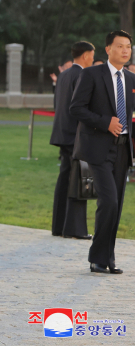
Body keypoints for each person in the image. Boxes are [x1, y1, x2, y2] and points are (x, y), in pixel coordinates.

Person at [70, 30, 134, 275]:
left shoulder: (131, 79)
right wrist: (105, 122)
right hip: (98, 149)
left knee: (115, 207)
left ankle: (108, 258)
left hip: (122, 151)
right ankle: (97, 257)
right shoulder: (91, 75)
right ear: (108, 49)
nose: (125, 50)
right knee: (109, 201)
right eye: (120, 46)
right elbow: (76, 108)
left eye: (128, 46)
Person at [50, 41, 95, 240]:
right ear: (85, 55)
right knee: (79, 181)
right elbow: (84, 108)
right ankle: (75, 229)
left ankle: (59, 226)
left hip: (61, 132)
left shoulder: (64, 75)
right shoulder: (83, 75)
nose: (93, 59)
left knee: (64, 178)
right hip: (76, 135)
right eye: (92, 55)